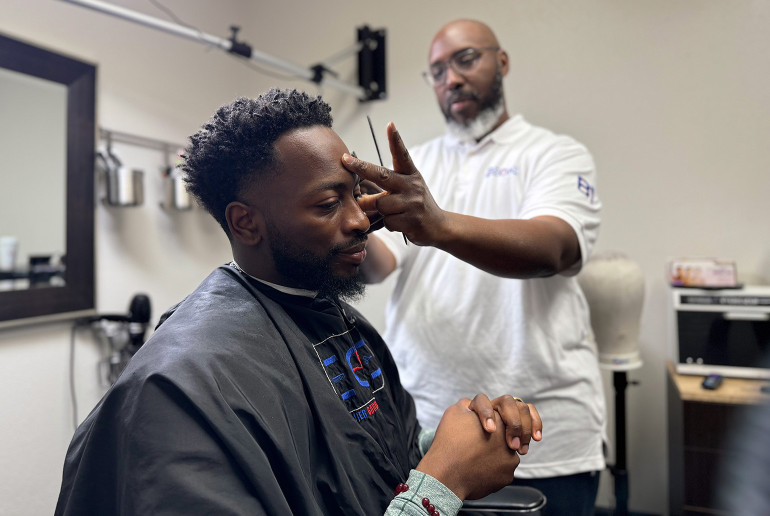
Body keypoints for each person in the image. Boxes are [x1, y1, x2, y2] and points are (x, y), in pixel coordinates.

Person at [54, 89, 546, 516]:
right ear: (246, 223)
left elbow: (369, 462)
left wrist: (461, 442)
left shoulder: (332, 318)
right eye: (329, 204)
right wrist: (443, 483)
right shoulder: (176, 389)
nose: (360, 221)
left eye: (357, 195)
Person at [347, 19, 606, 515]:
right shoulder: (418, 164)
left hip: (541, 442)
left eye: (466, 59)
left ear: (501, 62)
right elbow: (380, 267)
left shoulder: (554, 154)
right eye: (438, 70)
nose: (451, 78)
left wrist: (437, 224)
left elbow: (553, 249)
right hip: (427, 434)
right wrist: (349, 221)